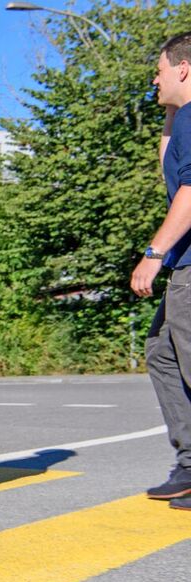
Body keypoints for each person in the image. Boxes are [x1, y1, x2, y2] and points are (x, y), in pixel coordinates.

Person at [131, 31, 191, 511]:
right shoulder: (184, 119)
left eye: (161, 70)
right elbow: (170, 169)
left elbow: (189, 197)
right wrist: (170, 109)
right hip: (185, 265)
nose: (155, 78)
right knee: (161, 350)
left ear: (184, 69)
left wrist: (154, 253)